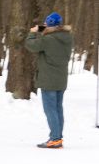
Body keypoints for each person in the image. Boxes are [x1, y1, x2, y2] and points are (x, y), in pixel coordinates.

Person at [25, 12, 72, 148]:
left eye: (46, 23)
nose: (43, 25)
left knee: (50, 110)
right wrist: (42, 29)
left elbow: (32, 45)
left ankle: (55, 139)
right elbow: (52, 32)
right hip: (61, 79)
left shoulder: (48, 40)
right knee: (57, 109)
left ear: (50, 24)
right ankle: (58, 138)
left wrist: (32, 32)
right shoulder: (67, 37)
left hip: (48, 79)